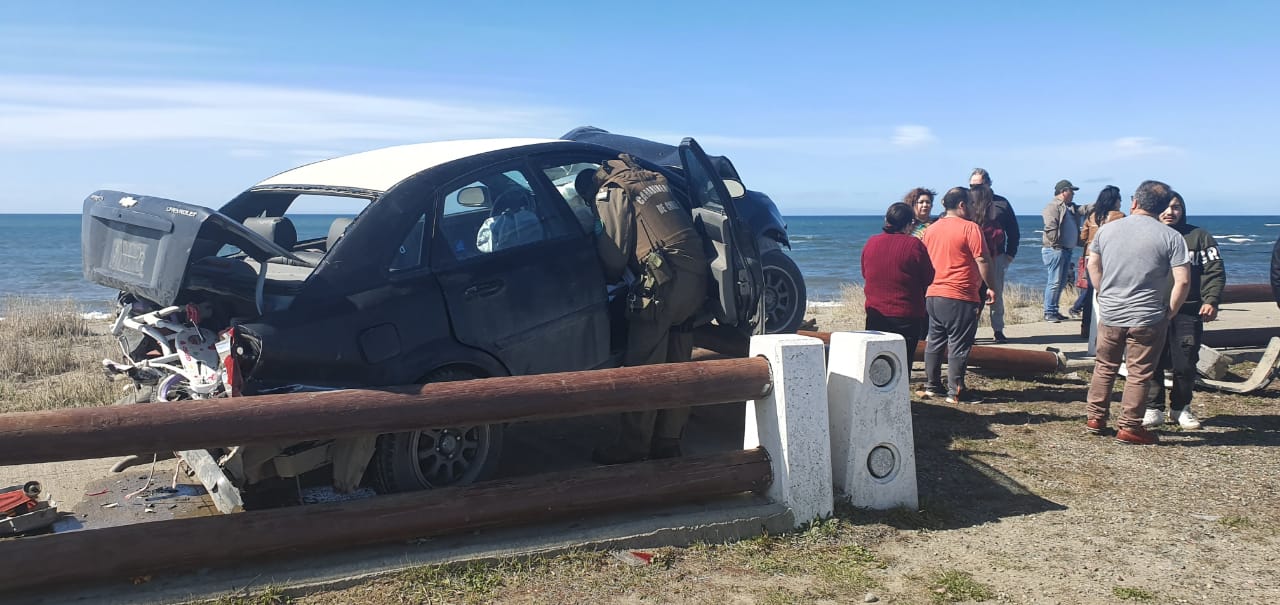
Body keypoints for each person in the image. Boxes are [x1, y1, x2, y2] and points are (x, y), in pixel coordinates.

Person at [585, 154, 709, 464]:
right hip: (695, 279)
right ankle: (668, 441)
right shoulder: (653, 179)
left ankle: (633, 447)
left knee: (644, 366)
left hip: (663, 284)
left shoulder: (612, 191)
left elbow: (614, 254)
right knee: (678, 361)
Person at [1085, 180, 1190, 445]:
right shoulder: (1171, 236)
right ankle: (1130, 425)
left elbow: (1092, 263)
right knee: (1139, 372)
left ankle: (1095, 417)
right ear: (1163, 206)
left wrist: (1103, 291)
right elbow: (1183, 281)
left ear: (1134, 202)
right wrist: (1172, 310)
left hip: (1111, 311)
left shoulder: (1108, 231)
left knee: (1105, 366)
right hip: (1148, 315)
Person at [1143, 192, 1224, 430]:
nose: (1170, 212)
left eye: (1176, 207)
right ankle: (1152, 408)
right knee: (1151, 361)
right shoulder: (1147, 236)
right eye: (1166, 207)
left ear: (1183, 210)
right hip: (1150, 310)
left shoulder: (1199, 237)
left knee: (1185, 364)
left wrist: (1212, 299)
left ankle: (1180, 407)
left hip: (1188, 311)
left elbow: (1215, 271)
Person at [920, 187, 996, 404]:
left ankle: (932, 385)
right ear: (962, 205)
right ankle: (956, 390)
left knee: (934, 341)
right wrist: (991, 286)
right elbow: (982, 259)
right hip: (960, 293)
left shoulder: (931, 229)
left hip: (934, 293)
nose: (973, 208)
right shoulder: (970, 228)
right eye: (971, 204)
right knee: (959, 344)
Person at [861, 202, 934, 360]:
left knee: (877, 362)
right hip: (906, 314)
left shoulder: (871, 242)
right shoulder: (914, 245)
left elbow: (865, 273)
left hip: (876, 312)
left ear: (886, 220)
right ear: (909, 224)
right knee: (901, 363)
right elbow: (928, 276)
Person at [970, 169, 1019, 343]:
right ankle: (971, 332)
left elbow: (1013, 230)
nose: (975, 188)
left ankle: (998, 330)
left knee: (996, 293)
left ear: (989, 184)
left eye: (979, 185)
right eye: (972, 185)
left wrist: (1010, 254)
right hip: (973, 257)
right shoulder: (967, 202)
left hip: (996, 255)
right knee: (973, 296)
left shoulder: (1001, 203)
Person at [1072, 186, 1125, 337]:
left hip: (1090, 257)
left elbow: (1082, 238)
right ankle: (1107, 329)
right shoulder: (1120, 217)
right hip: (1110, 258)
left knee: (1089, 293)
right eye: (1119, 199)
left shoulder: (1092, 216)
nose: (1120, 202)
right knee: (1109, 293)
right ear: (1114, 200)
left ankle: (1086, 328)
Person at [1041, 179, 1089, 322]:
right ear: (1063, 191)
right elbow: (1050, 226)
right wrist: (1056, 244)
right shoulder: (1053, 206)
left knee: (1061, 282)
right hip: (1055, 250)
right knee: (1054, 282)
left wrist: (1101, 203)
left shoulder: (1070, 207)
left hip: (1066, 249)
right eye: (1071, 191)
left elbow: (1085, 209)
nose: (1073, 194)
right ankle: (1049, 311)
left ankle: (1054, 310)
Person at [967, 183, 1006, 341]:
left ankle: (973, 335)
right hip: (980, 270)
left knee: (975, 306)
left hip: (973, 270)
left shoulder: (968, 223)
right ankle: (970, 336)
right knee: (978, 304)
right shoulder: (988, 227)